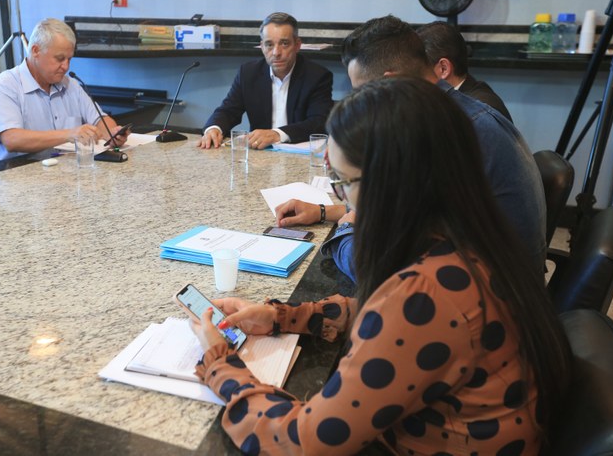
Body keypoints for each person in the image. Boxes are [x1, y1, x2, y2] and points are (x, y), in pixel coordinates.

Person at [190, 78, 572, 455]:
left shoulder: (424, 294)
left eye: (342, 182)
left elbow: (301, 443)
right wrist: (287, 316)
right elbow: (395, 323)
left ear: (392, 181)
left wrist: (220, 362)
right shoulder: (472, 232)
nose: (342, 198)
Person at [276, 15, 546, 280]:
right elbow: (402, 213)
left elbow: (378, 268)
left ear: (391, 83)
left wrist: (343, 234)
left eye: (362, 93)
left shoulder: (438, 134)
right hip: (507, 283)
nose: (361, 105)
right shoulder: (457, 111)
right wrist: (324, 211)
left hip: (492, 294)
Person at [0, 18, 128, 164]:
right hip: (10, 172)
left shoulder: (70, 85)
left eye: (69, 59)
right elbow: (12, 140)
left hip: (59, 169)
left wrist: (112, 133)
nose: (66, 67)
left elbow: (100, 120)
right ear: (36, 51)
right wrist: (70, 134)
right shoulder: (3, 87)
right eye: (60, 59)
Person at [197, 12, 333, 150]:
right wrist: (214, 128)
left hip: (298, 153)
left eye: (284, 43)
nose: (276, 52)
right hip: (260, 155)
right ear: (262, 47)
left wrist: (277, 134)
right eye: (269, 44)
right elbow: (228, 110)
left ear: (297, 45)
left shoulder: (317, 76)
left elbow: (318, 122)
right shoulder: (248, 73)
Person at [416, 21, 513, 122]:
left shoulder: (479, 112)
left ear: (444, 68)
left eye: (419, 72)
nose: (415, 81)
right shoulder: (449, 102)